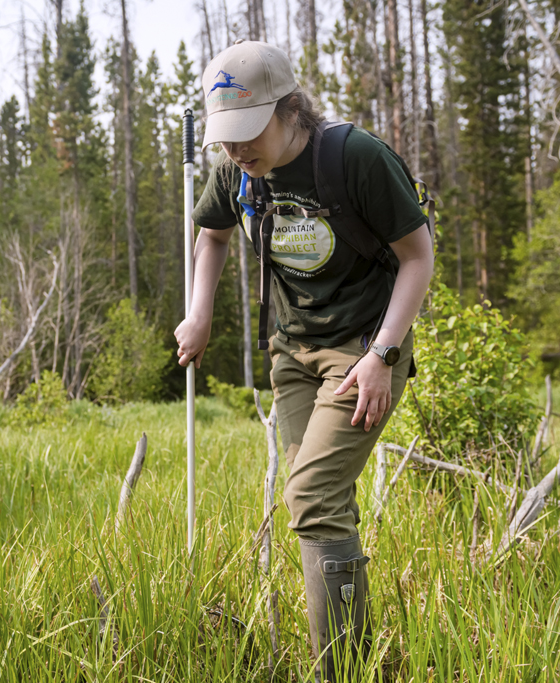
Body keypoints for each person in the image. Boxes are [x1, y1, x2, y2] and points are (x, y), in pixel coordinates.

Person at [174, 40, 434, 682]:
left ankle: (339, 670)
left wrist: (382, 354)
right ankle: (357, 659)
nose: (236, 150)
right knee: (320, 504)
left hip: (365, 347)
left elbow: (418, 257)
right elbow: (210, 234)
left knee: (311, 495)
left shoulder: (355, 158)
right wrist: (200, 312)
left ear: (291, 109)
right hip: (291, 353)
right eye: (225, 138)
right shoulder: (236, 171)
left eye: (247, 132)